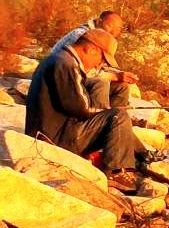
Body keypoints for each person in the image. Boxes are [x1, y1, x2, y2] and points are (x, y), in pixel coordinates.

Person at [23, 26, 144, 186]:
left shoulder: (60, 59)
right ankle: (117, 172)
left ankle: (126, 152)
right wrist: (110, 111)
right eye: (101, 59)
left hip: (53, 131)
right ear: (90, 49)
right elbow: (81, 108)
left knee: (103, 91)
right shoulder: (65, 64)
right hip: (55, 139)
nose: (98, 65)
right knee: (118, 117)